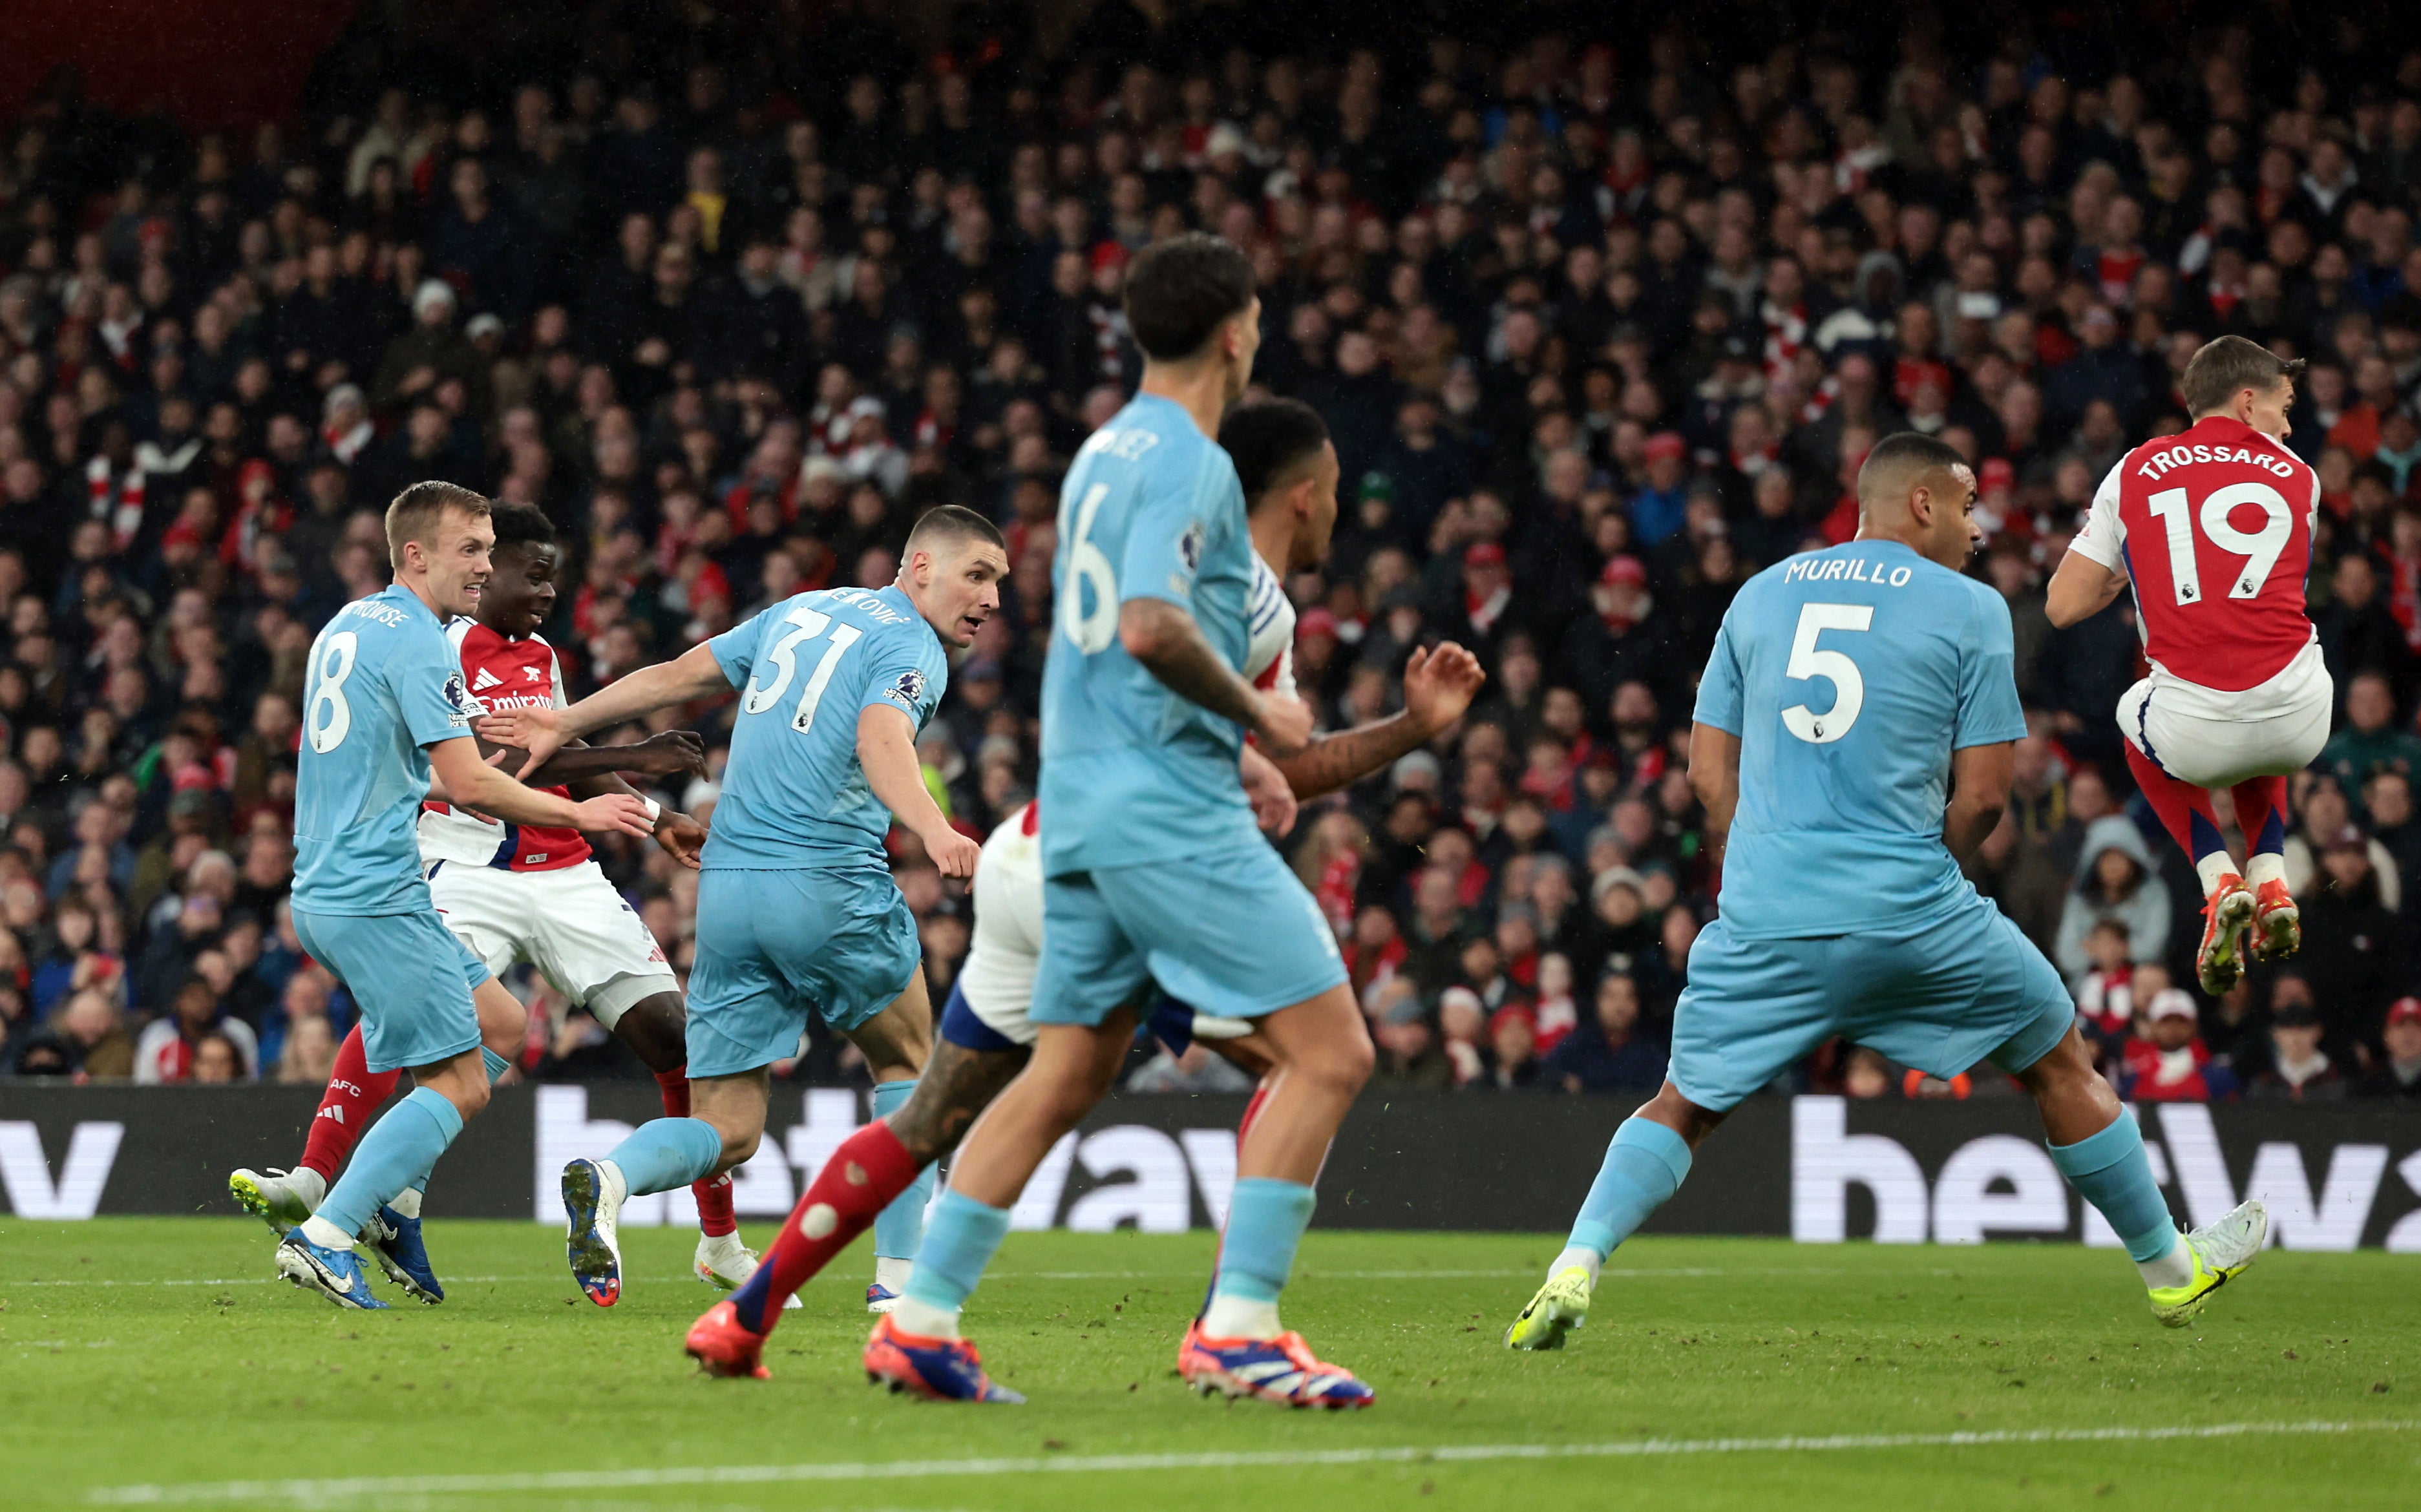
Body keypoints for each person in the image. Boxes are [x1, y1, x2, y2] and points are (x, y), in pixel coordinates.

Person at [682, 393, 1481, 1382]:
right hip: (1145, 857)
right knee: (1324, 1056)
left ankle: (801, 1321)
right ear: (1308, 497)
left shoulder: (1136, 541)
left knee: (965, 1100)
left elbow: (1232, 731)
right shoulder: (1244, 596)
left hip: (1037, 845)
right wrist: (1299, 738)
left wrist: (1340, 741)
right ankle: (1236, 1324)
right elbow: (1212, 693)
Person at [1505, 433, 2268, 1355]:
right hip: (1912, 912)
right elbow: (1985, 794)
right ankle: (2169, 1272)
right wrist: (1915, 871)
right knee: (2056, 1060)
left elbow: (1709, 778)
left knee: (1681, 1103)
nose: (1978, 526)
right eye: (1967, 504)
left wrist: (1759, 869)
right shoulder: (1972, 608)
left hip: (1765, 913)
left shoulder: (1757, 595)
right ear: (1920, 506)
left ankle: (1575, 1263)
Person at [836, 233, 1370, 1407]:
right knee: (1332, 1053)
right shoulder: (1191, 462)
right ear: (1235, 330)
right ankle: (1239, 1328)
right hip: (1164, 809)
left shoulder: (1098, 455)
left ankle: (920, 1317)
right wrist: (1264, 724)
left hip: (1072, 805)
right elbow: (1146, 625)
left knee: (1065, 1072)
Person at [226, 502, 761, 1299]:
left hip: (559, 872)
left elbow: (551, 747)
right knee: (435, 1038)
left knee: (647, 1033)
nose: (544, 588)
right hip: (456, 864)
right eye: (516, 566)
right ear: (442, 560)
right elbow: (482, 772)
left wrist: (647, 813)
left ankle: (717, 1240)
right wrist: (634, 761)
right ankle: (326, 1197)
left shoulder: (514, 648)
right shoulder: (428, 639)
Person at [480, 504, 1007, 1310]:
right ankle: (898, 1287)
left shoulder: (805, 608)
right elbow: (880, 737)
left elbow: (681, 674)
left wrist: (564, 719)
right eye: (977, 575)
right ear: (920, 568)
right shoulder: (911, 646)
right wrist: (935, 827)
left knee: (729, 1126)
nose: (991, 599)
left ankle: (613, 1177)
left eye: (999, 583)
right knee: (908, 1065)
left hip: (728, 891)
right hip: (827, 882)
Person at [271, 481, 655, 1309]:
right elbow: (469, 782)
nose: (485, 567)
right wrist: (578, 810)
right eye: (469, 551)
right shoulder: (419, 642)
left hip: (332, 880)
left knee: (504, 1024)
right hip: (375, 889)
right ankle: (329, 1233)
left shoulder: (349, 622)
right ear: (415, 554)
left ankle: (386, 1202)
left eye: (488, 549)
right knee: (462, 1085)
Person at [2046, 336, 2331, 995]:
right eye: (2283, 407)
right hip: (2300, 721)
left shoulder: (2133, 470)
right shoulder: (2299, 476)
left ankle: (2214, 875)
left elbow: (2061, 606)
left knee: (2132, 713)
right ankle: (2269, 875)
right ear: (2246, 399)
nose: (2287, 427)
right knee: (2267, 677)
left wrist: (2121, 571)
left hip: (2194, 728)